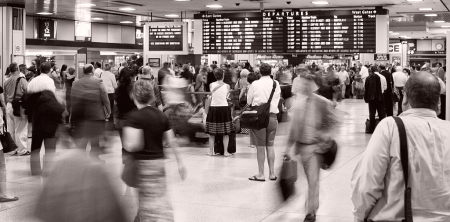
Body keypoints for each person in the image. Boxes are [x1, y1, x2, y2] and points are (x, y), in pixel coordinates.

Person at [351, 71, 450, 221]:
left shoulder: (390, 127)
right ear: (439, 104)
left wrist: (360, 216)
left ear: (405, 99)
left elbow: (366, 185)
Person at [122, 80, 187, 221]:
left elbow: (136, 145)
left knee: (145, 201)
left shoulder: (134, 117)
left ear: (134, 96)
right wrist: (180, 163)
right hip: (158, 165)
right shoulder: (160, 115)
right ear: (151, 95)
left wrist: (126, 143)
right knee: (159, 197)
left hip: (142, 167)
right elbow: (172, 140)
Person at [284, 70, 338, 222]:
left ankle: (311, 212)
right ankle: (313, 203)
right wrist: (288, 148)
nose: (304, 86)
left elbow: (334, 123)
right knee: (307, 180)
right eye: (302, 84)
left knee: (313, 180)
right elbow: (293, 129)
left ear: (314, 85)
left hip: (315, 149)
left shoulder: (323, 103)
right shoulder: (298, 103)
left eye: (307, 84)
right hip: (301, 148)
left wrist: (325, 135)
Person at [24, 62, 65, 176]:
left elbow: (29, 99)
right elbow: (51, 100)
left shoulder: (33, 81)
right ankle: (48, 169)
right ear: (49, 70)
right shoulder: (49, 81)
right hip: (48, 117)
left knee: (35, 146)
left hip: (36, 116)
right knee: (49, 145)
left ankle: (35, 171)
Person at [246, 63, 281, 181]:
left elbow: (248, 101)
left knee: (260, 147)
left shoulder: (255, 84)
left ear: (259, 72)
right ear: (271, 72)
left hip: (259, 118)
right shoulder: (276, 84)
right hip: (272, 117)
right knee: (270, 146)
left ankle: (261, 174)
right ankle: (272, 173)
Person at [71, 64, 111, 163]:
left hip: (81, 115)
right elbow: (104, 97)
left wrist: (72, 115)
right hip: (96, 115)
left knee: (82, 138)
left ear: (83, 72)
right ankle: (94, 157)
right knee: (95, 138)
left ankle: (81, 159)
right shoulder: (98, 81)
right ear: (92, 71)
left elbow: (73, 100)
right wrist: (108, 110)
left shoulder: (76, 83)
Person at [205, 68, 232, 156]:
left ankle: (211, 152)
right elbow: (226, 95)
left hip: (213, 108)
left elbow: (212, 95)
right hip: (224, 108)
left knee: (212, 133)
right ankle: (225, 152)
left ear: (215, 76)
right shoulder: (227, 86)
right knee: (226, 132)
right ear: (223, 75)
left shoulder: (211, 85)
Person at [4, 63, 29, 156]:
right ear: (18, 69)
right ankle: (22, 150)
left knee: (11, 128)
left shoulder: (6, 81)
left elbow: (5, 94)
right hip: (19, 106)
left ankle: (13, 149)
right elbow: (28, 91)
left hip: (9, 105)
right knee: (21, 128)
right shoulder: (22, 80)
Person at [364, 66, 386, 133]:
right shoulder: (379, 77)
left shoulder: (368, 78)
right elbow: (380, 88)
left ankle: (371, 129)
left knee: (372, 114)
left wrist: (366, 98)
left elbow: (366, 89)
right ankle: (382, 128)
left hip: (371, 98)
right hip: (379, 98)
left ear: (371, 71)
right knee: (381, 113)